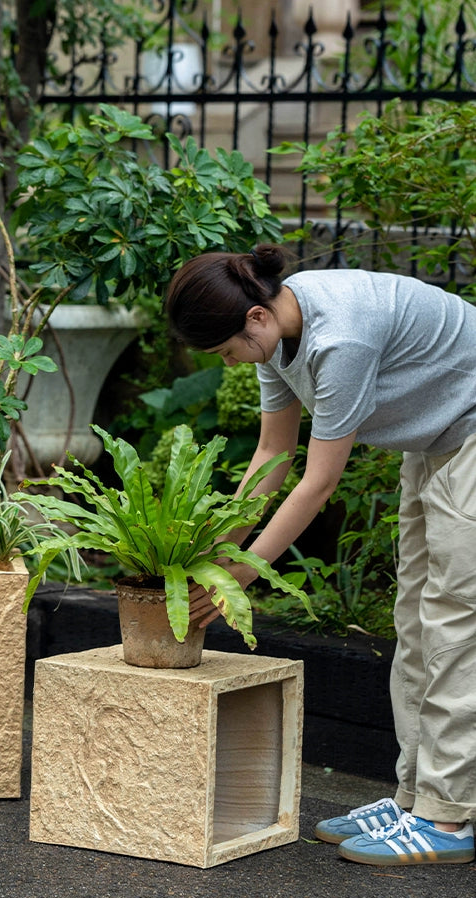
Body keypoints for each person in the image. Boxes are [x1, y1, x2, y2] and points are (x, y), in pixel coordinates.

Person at [165, 243, 476, 866]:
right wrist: (215, 554)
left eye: (226, 351)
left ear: (253, 318)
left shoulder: (341, 340)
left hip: (470, 433)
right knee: (415, 618)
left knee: (454, 624)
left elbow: (317, 483)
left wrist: (242, 578)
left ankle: (450, 816)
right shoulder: (275, 331)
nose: (229, 363)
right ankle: (416, 796)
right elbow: (271, 456)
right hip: (436, 442)